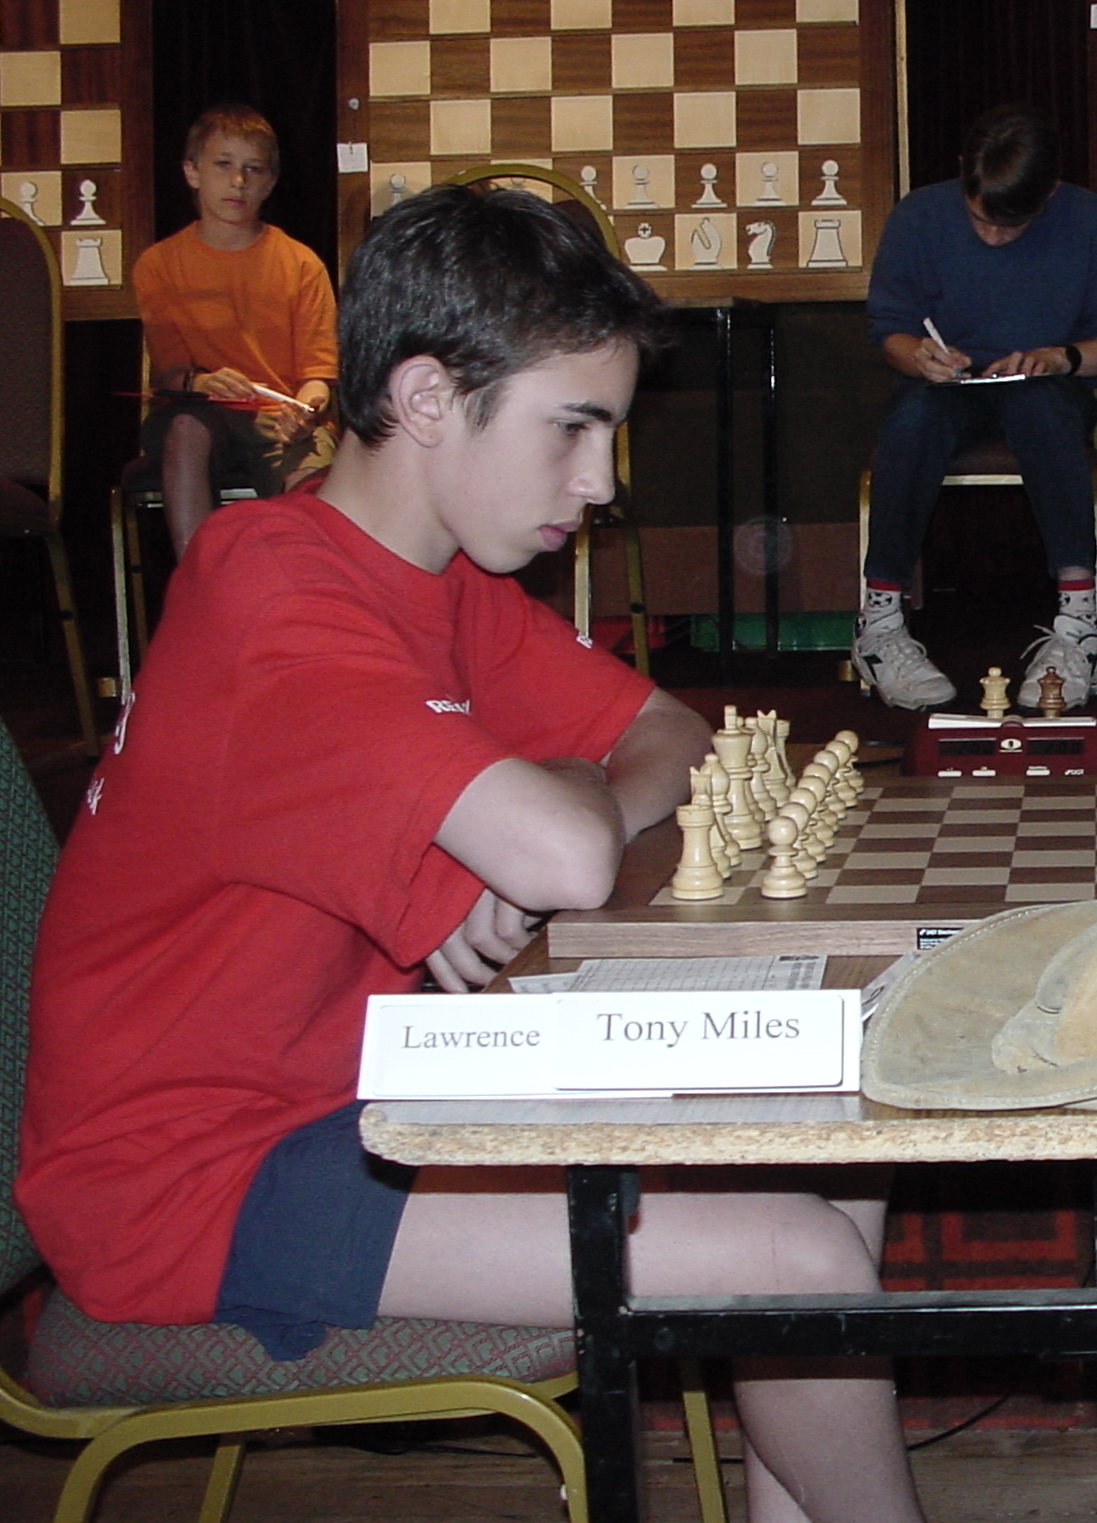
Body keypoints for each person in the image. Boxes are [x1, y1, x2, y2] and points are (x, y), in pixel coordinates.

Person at [20, 187, 927, 1523]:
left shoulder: (443, 585)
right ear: (430, 397)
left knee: (828, 1147)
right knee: (791, 1254)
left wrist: (544, 809)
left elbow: (671, 736)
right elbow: (567, 852)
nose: (603, 480)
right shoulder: (268, 586)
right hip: (196, 1173)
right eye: (575, 426)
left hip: (361, 1094)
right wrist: (549, 815)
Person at [855, 103, 1097, 711]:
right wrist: (919, 354)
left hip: (1047, 387)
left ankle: (1078, 622)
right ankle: (879, 623)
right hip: (944, 386)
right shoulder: (919, 216)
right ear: (964, 171)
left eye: (1010, 226)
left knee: (1042, 411)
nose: (992, 235)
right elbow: (888, 327)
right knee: (913, 419)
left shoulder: (1094, 223)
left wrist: (1060, 357)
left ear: (1048, 193)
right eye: (980, 220)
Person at [132, 103, 340, 556]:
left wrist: (305, 410)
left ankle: (308, 594)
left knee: (312, 467)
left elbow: (317, 375)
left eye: (253, 169)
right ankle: (200, 581)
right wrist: (201, 382)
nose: (238, 181)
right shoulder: (159, 264)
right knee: (185, 427)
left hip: (280, 415)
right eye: (223, 165)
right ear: (192, 172)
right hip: (202, 413)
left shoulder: (301, 263)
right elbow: (169, 372)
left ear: (269, 182)